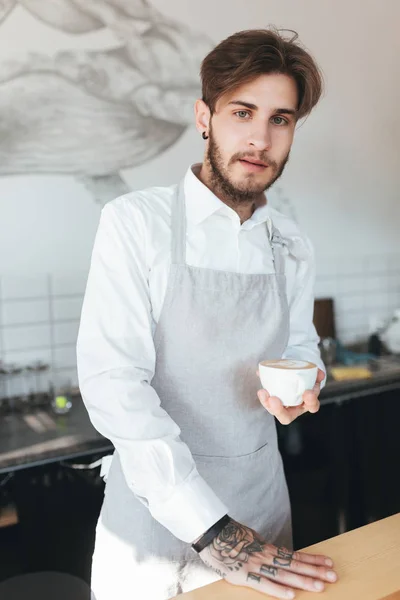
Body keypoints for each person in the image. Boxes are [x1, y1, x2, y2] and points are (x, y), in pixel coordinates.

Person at [77, 27, 338, 600]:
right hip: (156, 519)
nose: (260, 139)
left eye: (280, 119)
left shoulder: (290, 245)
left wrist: (303, 383)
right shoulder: (135, 223)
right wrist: (214, 532)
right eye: (242, 112)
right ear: (205, 117)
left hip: (261, 503)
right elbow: (113, 383)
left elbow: (300, 346)